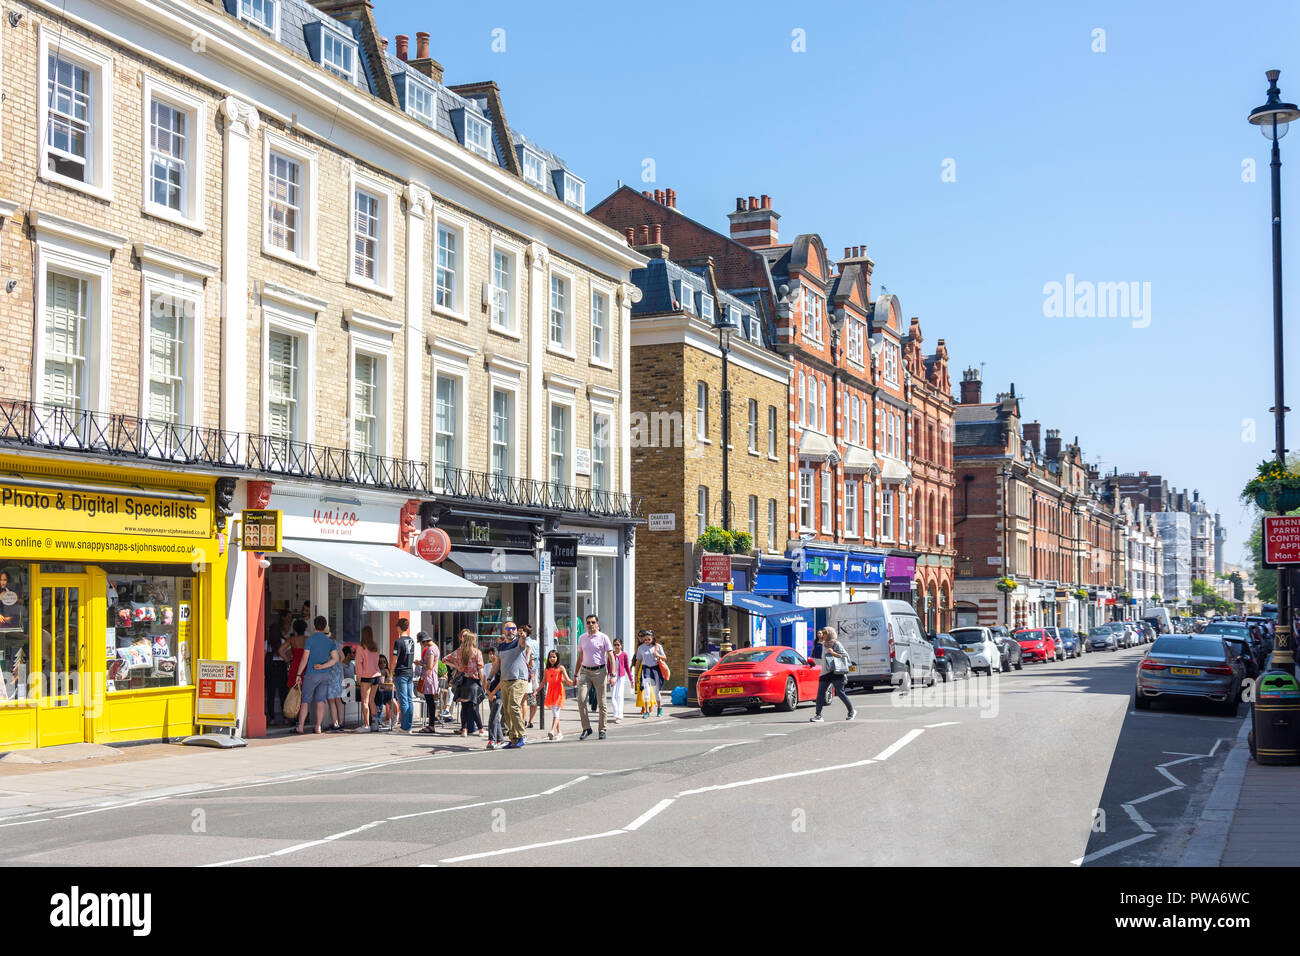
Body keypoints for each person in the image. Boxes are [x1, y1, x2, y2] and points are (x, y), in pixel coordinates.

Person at [294, 616, 340, 734]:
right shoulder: (330, 642)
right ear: (325, 627)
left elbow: (305, 658)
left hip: (311, 674)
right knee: (320, 701)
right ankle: (318, 726)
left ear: (314, 626)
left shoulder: (310, 640)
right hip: (324, 675)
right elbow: (336, 659)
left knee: (305, 701)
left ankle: (300, 726)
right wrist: (323, 666)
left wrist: (298, 674)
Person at [575, 613, 615, 740]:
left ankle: (602, 729)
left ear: (597, 624)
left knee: (601, 702)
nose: (590, 625)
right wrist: (575, 674)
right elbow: (580, 657)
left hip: (600, 671)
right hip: (585, 672)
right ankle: (586, 728)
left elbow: (611, 657)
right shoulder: (582, 638)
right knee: (581, 700)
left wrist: (613, 675)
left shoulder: (603, 637)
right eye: (588, 622)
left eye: (593, 622)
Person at [495, 621, 531, 749]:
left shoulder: (519, 642)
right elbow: (496, 663)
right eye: (508, 628)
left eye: (513, 628)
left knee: (514, 706)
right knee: (507, 711)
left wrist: (523, 636)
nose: (511, 631)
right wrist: (489, 678)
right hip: (505, 681)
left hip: (518, 680)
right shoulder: (501, 646)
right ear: (504, 631)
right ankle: (513, 738)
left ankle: (522, 735)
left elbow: (523, 642)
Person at [444, 629, 485, 736]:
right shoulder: (477, 652)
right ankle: (480, 729)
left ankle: (464, 729)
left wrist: (456, 666)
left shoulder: (459, 652)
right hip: (473, 682)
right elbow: (480, 669)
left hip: (462, 682)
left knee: (464, 707)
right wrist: (484, 683)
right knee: (474, 707)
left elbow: (444, 659)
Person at [810, 626, 856, 723]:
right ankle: (818, 715)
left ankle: (851, 711)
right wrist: (812, 662)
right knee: (820, 694)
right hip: (825, 673)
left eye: (825, 633)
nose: (823, 634)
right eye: (822, 632)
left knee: (840, 693)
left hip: (836, 672)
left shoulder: (836, 644)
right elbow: (820, 660)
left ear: (830, 634)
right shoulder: (821, 644)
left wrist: (833, 653)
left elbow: (845, 657)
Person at [391, 618, 417, 733]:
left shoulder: (398, 642)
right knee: (409, 699)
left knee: (403, 700)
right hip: (409, 671)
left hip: (401, 672)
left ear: (399, 627)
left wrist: (391, 671)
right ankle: (409, 725)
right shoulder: (411, 640)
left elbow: (394, 659)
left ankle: (405, 727)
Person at [542, 649, 574, 740]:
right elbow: (543, 682)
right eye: (550, 657)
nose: (552, 659)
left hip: (559, 692)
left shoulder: (561, 668)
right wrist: (536, 691)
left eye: (554, 657)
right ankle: (559, 732)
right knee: (555, 713)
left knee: (556, 712)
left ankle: (552, 731)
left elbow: (567, 680)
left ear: (557, 658)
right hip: (551, 692)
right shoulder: (547, 669)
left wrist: (574, 683)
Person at [634, 629, 667, 718]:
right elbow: (639, 661)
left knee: (656, 692)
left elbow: (665, 657)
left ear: (653, 638)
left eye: (649, 639)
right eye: (645, 639)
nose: (647, 641)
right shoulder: (641, 648)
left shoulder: (658, 646)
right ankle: (647, 711)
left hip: (656, 670)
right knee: (647, 691)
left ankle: (659, 709)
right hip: (646, 670)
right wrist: (636, 674)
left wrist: (658, 655)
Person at [265, 610, 290, 726]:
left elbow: (264, 655)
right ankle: (285, 717)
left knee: (270, 694)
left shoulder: (267, 643)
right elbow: (288, 654)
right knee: (282, 693)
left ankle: (271, 718)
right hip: (281, 667)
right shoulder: (283, 641)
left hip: (271, 669)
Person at [355, 626, 381, 732]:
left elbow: (358, 664)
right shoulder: (376, 646)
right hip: (376, 675)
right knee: (372, 701)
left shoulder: (361, 647)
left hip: (366, 676)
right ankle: (375, 725)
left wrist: (359, 677)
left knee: (364, 701)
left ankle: (366, 725)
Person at [418, 632, 440, 734]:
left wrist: (420, 663)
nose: (421, 645)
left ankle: (431, 725)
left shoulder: (431, 650)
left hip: (429, 678)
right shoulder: (436, 647)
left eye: (421, 643)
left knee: (430, 702)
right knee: (431, 702)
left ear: (425, 641)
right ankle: (431, 724)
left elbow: (429, 666)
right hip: (433, 677)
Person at [325, 626, 345, 732]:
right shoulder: (337, 644)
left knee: (331, 701)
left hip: (329, 673)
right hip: (338, 674)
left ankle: (335, 723)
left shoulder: (324, 645)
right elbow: (342, 658)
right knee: (338, 700)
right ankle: (340, 722)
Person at [609, 637, 633, 723]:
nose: (616, 646)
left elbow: (627, 667)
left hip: (621, 677)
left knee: (619, 695)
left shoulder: (624, 655)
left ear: (621, 645)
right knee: (613, 697)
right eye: (615, 645)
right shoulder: (611, 654)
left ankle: (619, 715)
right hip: (612, 676)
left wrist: (631, 680)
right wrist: (609, 676)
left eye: (618, 645)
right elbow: (608, 666)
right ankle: (616, 713)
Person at [521, 624, 540, 729]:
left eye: (521, 631)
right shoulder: (534, 643)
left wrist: (532, 672)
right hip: (532, 673)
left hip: (528, 673)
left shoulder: (528, 643)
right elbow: (537, 659)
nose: (519, 633)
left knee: (529, 698)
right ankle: (530, 721)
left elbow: (535, 659)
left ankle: (527, 721)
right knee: (531, 697)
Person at [375, 655, 397, 730]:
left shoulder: (388, 671)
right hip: (380, 691)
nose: (382, 664)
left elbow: (390, 683)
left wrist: (388, 675)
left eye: (384, 662)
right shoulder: (376, 671)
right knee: (379, 703)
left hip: (389, 691)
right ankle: (379, 721)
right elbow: (379, 684)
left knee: (394, 702)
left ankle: (395, 720)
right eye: (380, 662)